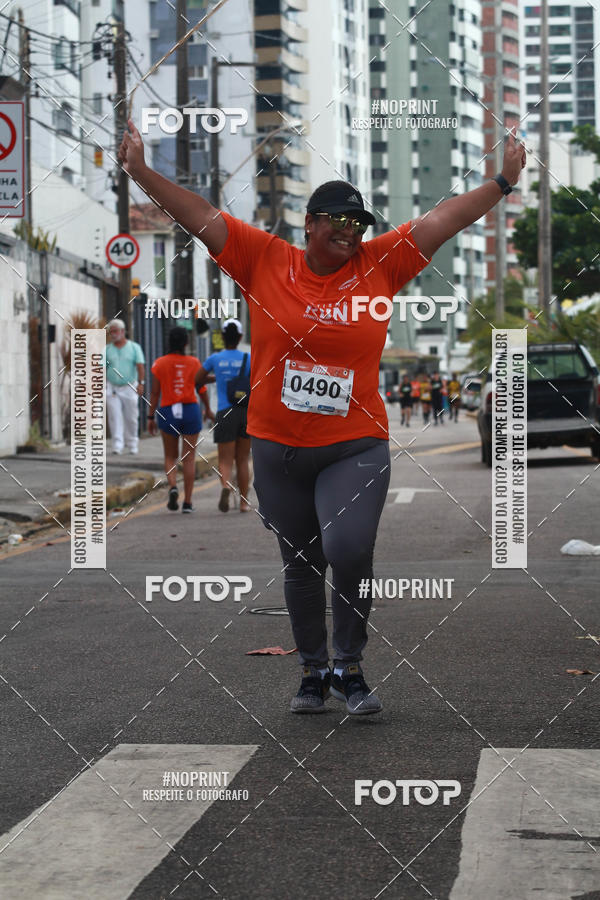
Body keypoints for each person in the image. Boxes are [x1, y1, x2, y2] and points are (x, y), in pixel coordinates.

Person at [118, 119, 526, 715]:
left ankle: (350, 661)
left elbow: (443, 220)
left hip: (353, 443)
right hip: (277, 447)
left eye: (359, 224)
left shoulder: (382, 263)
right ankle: (314, 671)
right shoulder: (263, 258)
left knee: (349, 547)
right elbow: (200, 217)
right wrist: (140, 172)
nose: (351, 231)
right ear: (310, 223)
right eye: (338, 220)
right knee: (301, 562)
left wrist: (501, 183)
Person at [147, 326, 215, 513]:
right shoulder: (194, 363)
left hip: (168, 411)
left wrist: (150, 416)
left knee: (170, 456)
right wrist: (208, 408)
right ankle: (188, 503)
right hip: (190, 411)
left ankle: (172, 486)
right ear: (186, 343)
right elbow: (201, 388)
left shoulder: (159, 363)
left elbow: (154, 393)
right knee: (189, 458)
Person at [196, 319, 252, 514]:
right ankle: (244, 503)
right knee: (243, 459)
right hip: (245, 412)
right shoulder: (249, 357)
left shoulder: (215, 359)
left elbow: (197, 379)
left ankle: (226, 486)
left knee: (225, 460)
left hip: (224, 412)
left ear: (223, 337)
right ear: (240, 337)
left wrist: (217, 378)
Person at [105, 319, 145, 455]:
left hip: (130, 386)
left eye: (116, 331)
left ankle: (132, 443)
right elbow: (101, 367)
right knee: (114, 415)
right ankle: (117, 444)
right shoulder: (107, 349)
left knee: (131, 416)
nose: (113, 334)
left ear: (122, 332)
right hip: (112, 386)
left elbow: (140, 366)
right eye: (111, 332)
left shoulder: (134, 347)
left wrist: (141, 383)